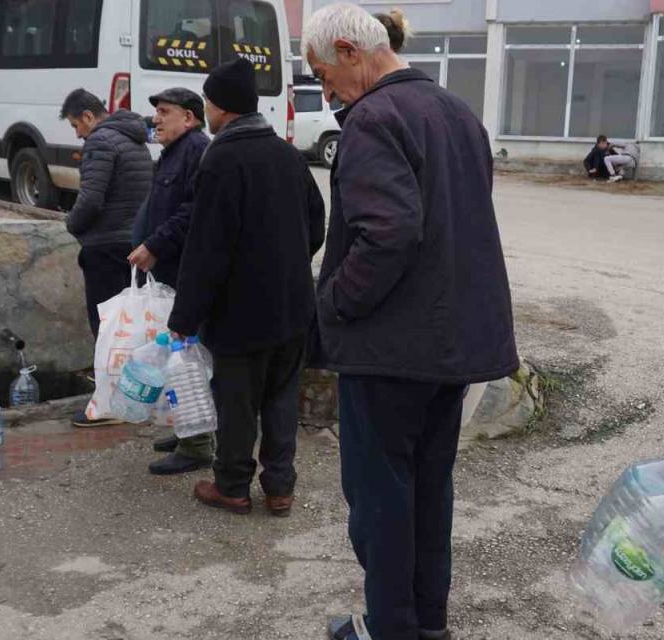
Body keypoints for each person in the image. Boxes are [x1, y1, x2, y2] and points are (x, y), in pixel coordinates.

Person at [303, 5, 519, 640]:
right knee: (429, 493)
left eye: (323, 75)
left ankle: (392, 628)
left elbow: (389, 234)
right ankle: (428, 623)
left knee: (381, 500)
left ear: (349, 50)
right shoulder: (457, 111)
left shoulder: (373, 118)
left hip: (391, 348)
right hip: (450, 344)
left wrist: (335, 301)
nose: (327, 92)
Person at [167, 58, 325, 517]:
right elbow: (316, 222)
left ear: (222, 108)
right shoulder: (286, 154)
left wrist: (185, 316)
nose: (207, 110)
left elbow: (206, 247)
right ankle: (280, 489)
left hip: (241, 315)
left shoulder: (221, 159)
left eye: (209, 103)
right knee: (280, 400)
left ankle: (232, 486)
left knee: (237, 403)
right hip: (293, 306)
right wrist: (288, 265)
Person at [126, 87, 214, 475]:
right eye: (155, 112)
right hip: (170, 272)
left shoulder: (196, 150)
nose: (155, 119)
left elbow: (193, 211)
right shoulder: (174, 152)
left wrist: (155, 244)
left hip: (185, 272)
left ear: (189, 117)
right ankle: (187, 431)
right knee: (176, 355)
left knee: (186, 360)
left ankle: (197, 445)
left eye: (164, 112)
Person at [59, 88, 153, 428]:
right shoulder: (136, 139)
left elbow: (91, 200)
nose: (78, 134)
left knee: (107, 331)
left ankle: (109, 404)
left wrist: (71, 224)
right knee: (129, 330)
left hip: (105, 246)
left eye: (75, 125)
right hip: (132, 245)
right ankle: (132, 399)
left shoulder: (100, 142)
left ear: (87, 115)